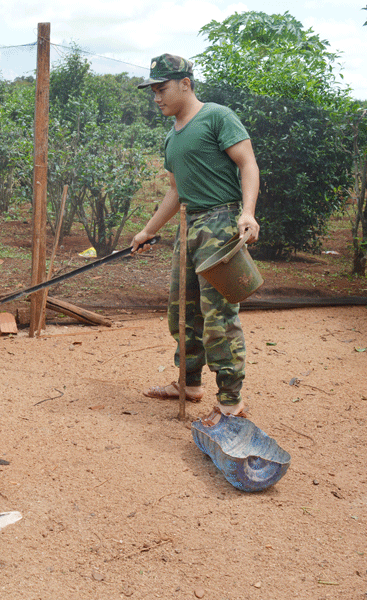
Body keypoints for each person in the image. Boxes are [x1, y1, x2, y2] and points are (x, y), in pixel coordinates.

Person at [130, 54, 260, 427]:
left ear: (185, 83)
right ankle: (188, 384)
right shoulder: (172, 135)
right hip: (189, 227)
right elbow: (175, 191)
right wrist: (148, 230)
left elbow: (247, 163)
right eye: (153, 90)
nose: (156, 97)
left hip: (220, 223)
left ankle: (231, 402)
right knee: (183, 312)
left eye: (162, 88)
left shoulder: (217, 116)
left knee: (218, 315)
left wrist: (246, 212)